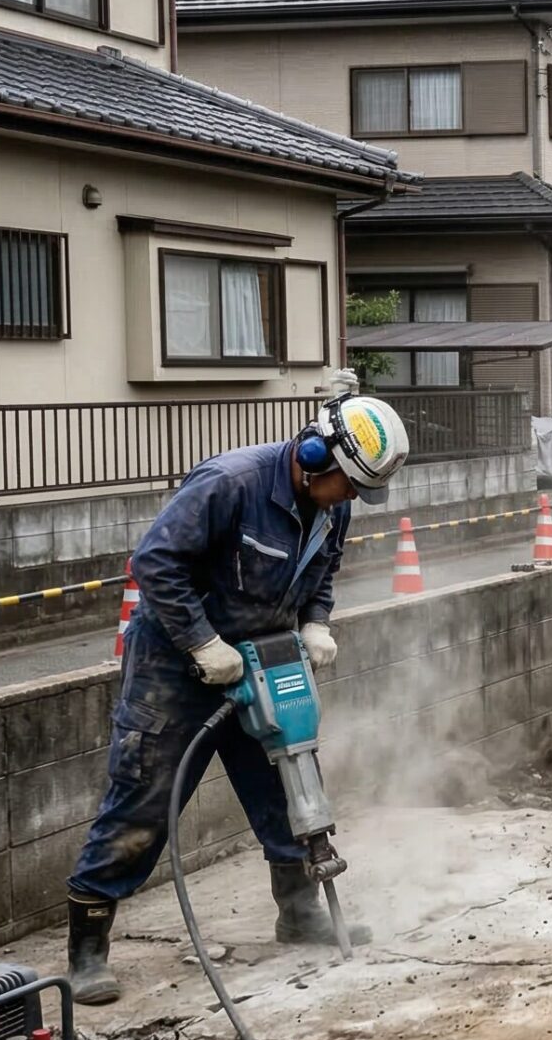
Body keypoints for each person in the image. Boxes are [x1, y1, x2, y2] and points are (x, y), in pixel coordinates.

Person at [66, 394, 411, 1004]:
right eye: (349, 485)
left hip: (263, 657)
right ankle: (87, 950)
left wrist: (316, 621)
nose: (352, 498)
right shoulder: (230, 484)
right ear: (313, 455)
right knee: (144, 802)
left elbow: (322, 570)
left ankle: (300, 914)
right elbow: (155, 563)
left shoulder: (332, 508)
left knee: (293, 788)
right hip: (175, 667)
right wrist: (202, 643)